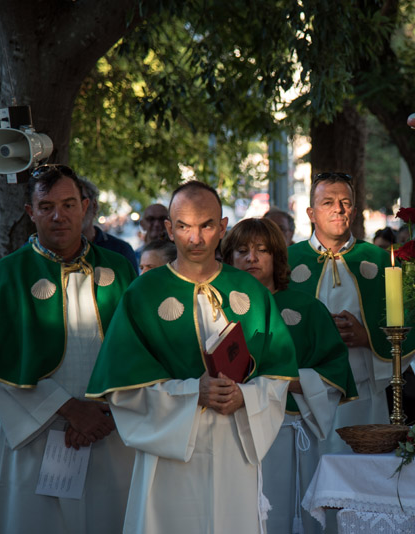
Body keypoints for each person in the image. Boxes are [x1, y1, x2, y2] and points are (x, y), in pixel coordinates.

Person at [86, 181, 298, 534]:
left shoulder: (250, 292)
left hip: (235, 445)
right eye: (183, 226)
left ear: (223, 227)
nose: (195, 238)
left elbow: (278, 374)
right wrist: (191, 393)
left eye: (206, 225)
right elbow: (123, 390)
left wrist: (244, 395)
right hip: (169, 455)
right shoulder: (143, 293)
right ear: (169, 229)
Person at [0, 164, 136, 533]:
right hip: (37, 438)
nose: (59, 216)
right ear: (30, 213)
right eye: (47, 206)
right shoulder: (5, 277)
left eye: (69, 204)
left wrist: (101, 415)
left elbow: (138, 352)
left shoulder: (119, 270)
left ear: (85, 206)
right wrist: (70, 410)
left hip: (110, 432)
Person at [222, 217, 357, 533]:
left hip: (288, 431)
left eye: (261, 250)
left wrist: (281, 382)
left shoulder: (307, 308)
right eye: (241, 251)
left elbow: (335, 372)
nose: (251, 258)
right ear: (228, 258)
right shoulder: (217, 306)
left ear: (277, 258)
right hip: (232, 431)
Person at [287, 172, 415, 454]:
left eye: (345, 202)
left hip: (363, 395)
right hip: (305, 397)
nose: (338, 208)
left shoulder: (380, 260)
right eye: (328, 202)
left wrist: (368, 336)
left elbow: (410, 328)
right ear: (311, 212)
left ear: (355, 211)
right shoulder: (287, 262)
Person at [78, 177, 139, 271]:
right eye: (68, 205)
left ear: (93, 205)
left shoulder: (120, 250)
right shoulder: (52, 250)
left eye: (80, 201)